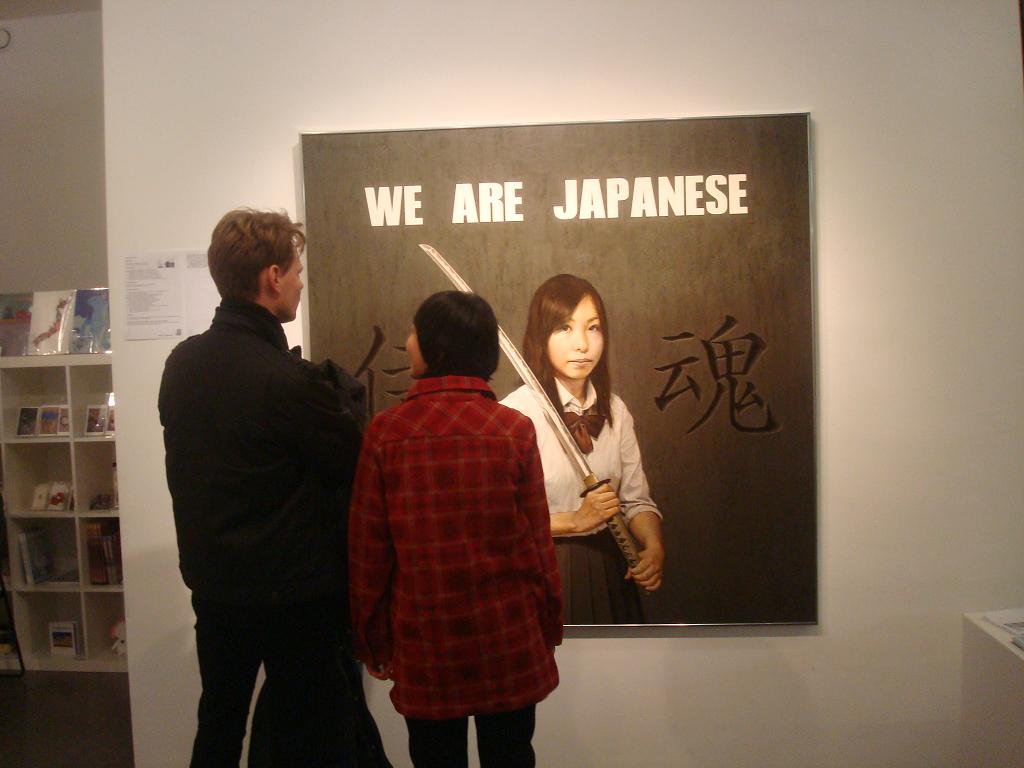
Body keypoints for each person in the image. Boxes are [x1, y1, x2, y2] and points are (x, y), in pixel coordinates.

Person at [159, 208, 378, 767]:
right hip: (291, 595)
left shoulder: (182, 365)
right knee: (312, 736)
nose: (301, 283)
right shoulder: (285, 380)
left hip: (215, 585)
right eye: (297, 271)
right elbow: (354, 461)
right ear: (273, 277)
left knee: (219, 722)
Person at [349, 291, 562, 768]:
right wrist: (549, 622)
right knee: (511, 757)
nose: (408, 342)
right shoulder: (514, 430)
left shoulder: (386, 434)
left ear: (435, 345)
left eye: (413, 332)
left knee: (434, 760)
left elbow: (369, 555)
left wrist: (371, 639)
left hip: (426, 641)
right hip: (507, 636)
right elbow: (538, 544)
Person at [501, 274, 665, 625]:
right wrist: (574, 520)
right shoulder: (514, 414)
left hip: (609, 567)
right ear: (540, 336)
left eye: (593, 328)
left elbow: (636, 501)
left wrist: (653, 546)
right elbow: (497, 522)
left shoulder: (616, 410)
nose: (583, 344)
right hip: (538, 571)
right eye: (565, 328)